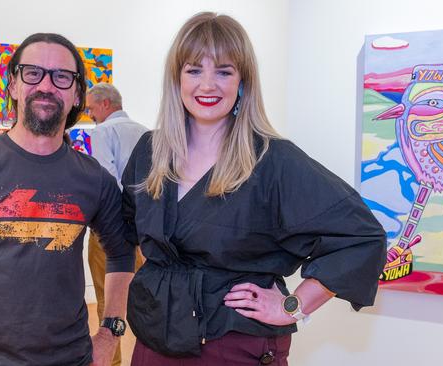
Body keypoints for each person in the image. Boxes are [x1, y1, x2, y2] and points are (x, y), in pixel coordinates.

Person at [121, 12, 387, 365]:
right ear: (176, 78)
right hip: (155, 341)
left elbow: (362, 237)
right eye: (194, 70)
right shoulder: (150, 152)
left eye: (224, 71)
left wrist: (293, 306)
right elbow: (126, 230)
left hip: (233, 344)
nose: (207, 85)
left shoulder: (273, 161)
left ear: (243, 81)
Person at [0, 33, 134, 366]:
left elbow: (122, 252)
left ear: (78, 93)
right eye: (33, 72)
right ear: (13, 85)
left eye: (62, 76)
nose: (46, 85)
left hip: (72, 358)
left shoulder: (94, 179)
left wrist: (110, 334)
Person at [85, 82, 148, 366]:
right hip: (146, 229)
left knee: (107, 300)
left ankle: (112, 362)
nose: (89, 114)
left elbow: (105, 180)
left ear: (105, 104)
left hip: (111, 228)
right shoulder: (146, 132)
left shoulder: (103, 132)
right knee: (148, 298)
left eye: (91, 108)